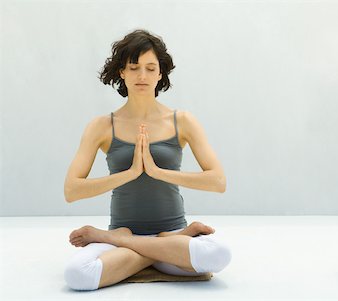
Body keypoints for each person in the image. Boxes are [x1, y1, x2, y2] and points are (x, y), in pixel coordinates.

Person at [63, 29, 232, 291]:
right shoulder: (101, 126)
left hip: (167, 235)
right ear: (122, 72)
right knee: (77, 275)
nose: (142, 76)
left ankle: (122, 242)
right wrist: (130, 173)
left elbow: (218, 181)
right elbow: (71, 190)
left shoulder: (183, 121)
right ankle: (149, 248)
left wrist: (158, 171)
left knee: (220, 253)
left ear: (160, 74)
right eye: (134, 67)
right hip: (164, 246)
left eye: (150, 68)